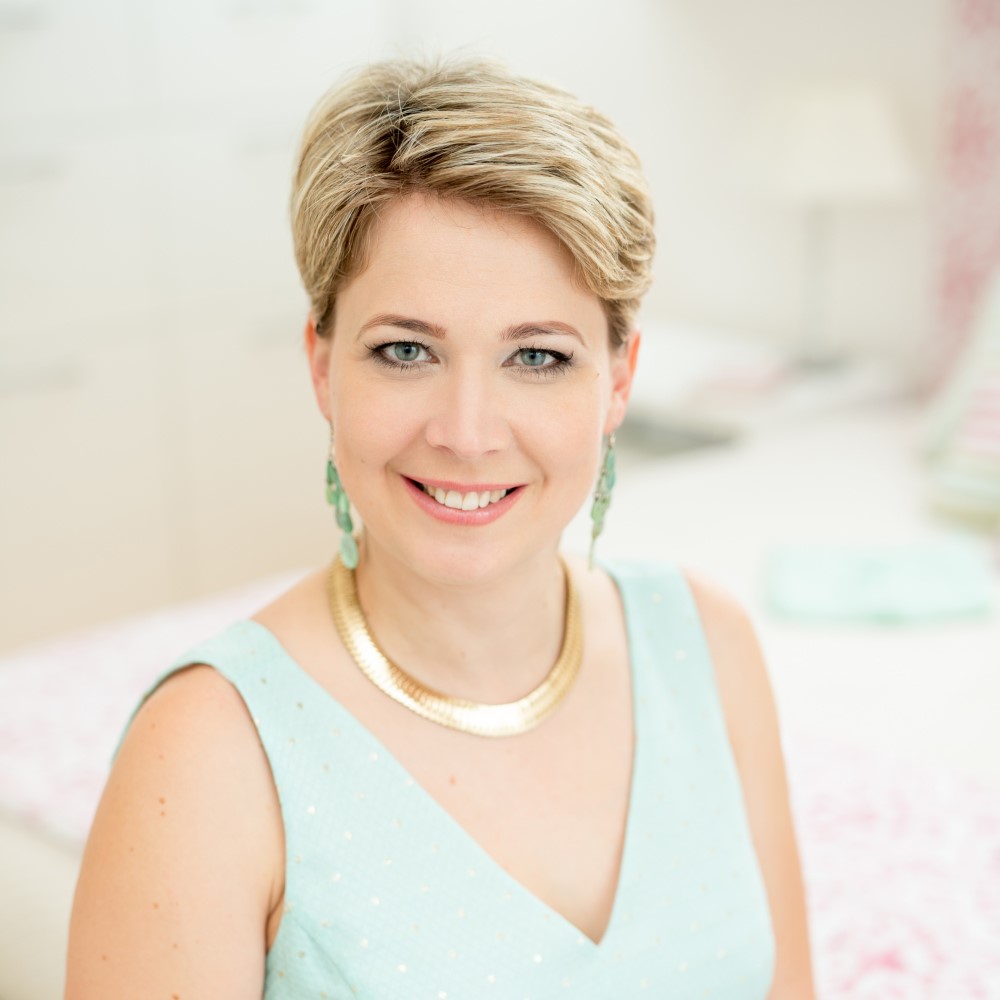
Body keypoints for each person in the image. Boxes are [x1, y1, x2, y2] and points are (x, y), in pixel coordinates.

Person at [66, 58, 815, 999]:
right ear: (322, 367)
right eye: (406, 350)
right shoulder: (205, 755)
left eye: (537, 357)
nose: (466, 433)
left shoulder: (704, 646)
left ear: (619, 381)